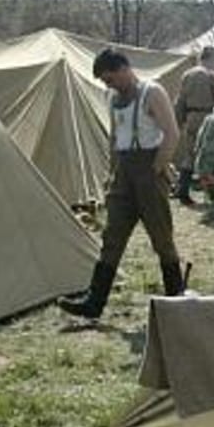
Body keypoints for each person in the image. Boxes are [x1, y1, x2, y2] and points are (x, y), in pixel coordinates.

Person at [59, 49, 183, 319]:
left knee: (162, 238)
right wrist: (112, 172)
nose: (109, 85)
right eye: (105, 82)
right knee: (111, 237)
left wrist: (157, 167)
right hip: (123, 174)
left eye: (110, 79)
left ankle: (177, 300)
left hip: (149, 170)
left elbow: (172, 133)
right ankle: (95, 301)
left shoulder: (153, 92)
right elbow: (115, 138)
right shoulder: (114, 99)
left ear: (123, 69)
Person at [173, 46, 214, 204]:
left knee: (190, 154)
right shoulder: (212, 76)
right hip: (207, 117)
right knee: (208, 155)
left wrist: (179, 121)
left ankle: (183, 189)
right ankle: (213, 193)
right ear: (211, 58)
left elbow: (180, 101)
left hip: (190, 117)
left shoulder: (187, 75)